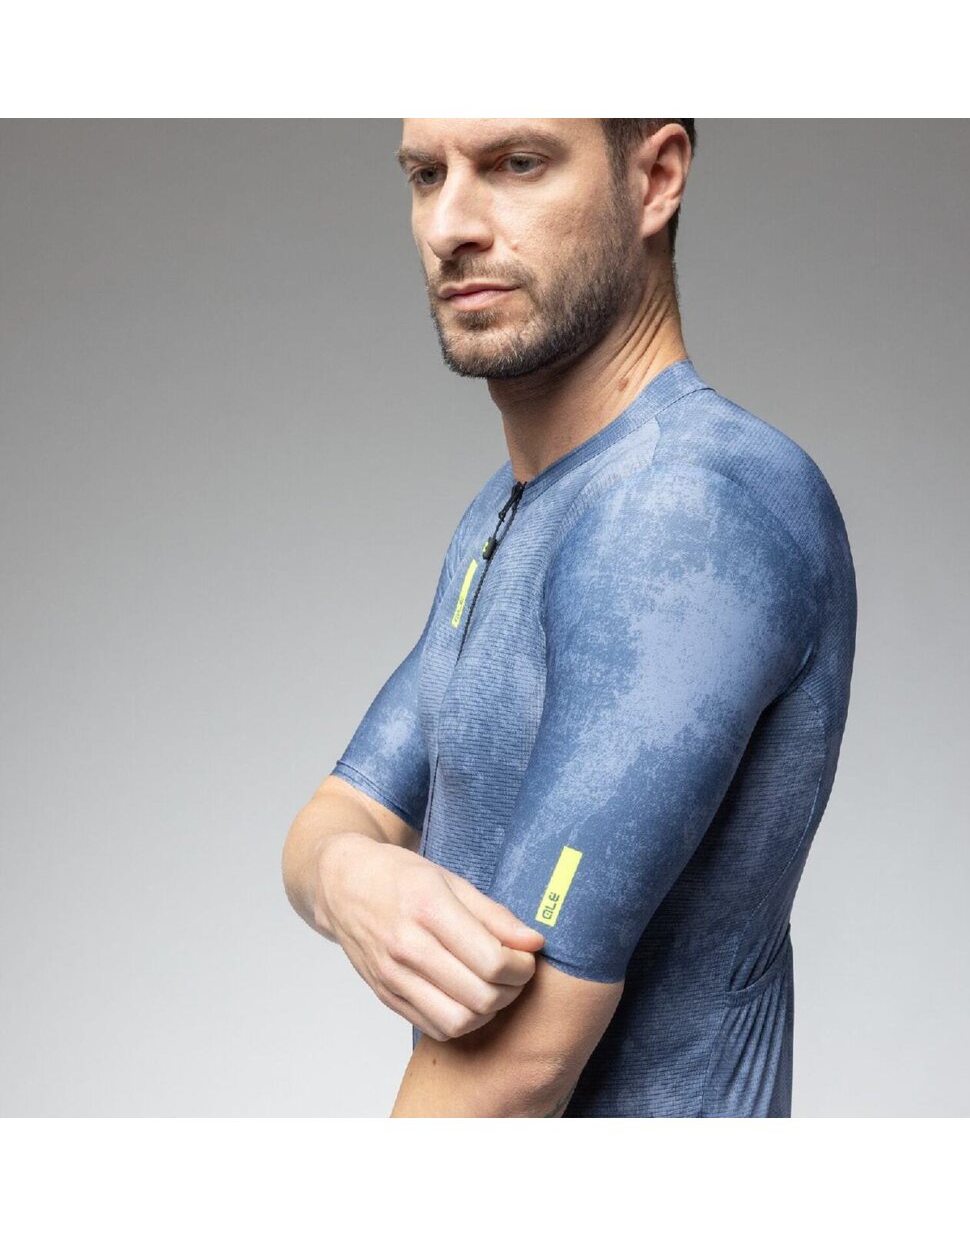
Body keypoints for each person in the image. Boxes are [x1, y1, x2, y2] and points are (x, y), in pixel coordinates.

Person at [281, 118, 857, 1118]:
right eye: (426, 174)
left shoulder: (684, 508)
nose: (450, 224)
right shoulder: (513, 509)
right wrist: (351, 875)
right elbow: (336, 814)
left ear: (656, 176)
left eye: (517, 163)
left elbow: (518, 1061)